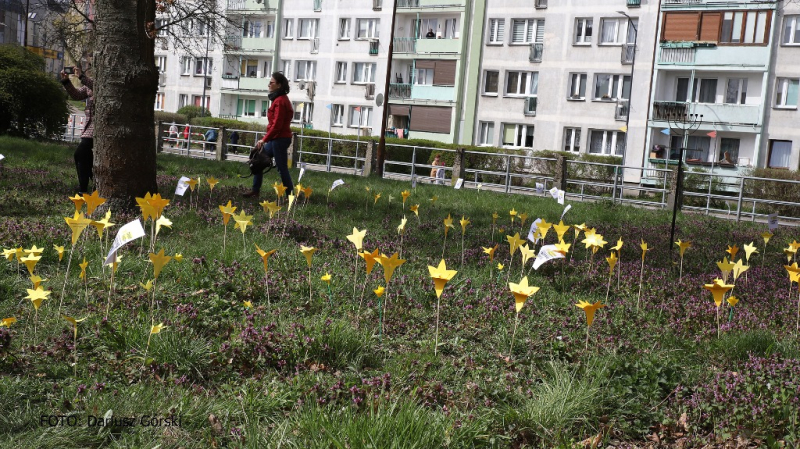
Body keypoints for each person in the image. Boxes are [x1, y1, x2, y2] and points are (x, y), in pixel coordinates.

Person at [243, 72, 294, 198]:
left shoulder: (281, 101)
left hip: (280, 140)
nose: (269, 85)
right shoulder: (278, 100)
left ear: (279, 85)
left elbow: (277, 125)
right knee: (258, 161)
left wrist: (264, 140)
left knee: (282, 168)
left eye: (272, 83)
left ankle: (291, 196)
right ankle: (255, 191)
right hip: (276, 139)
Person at [60, 65, 94, 194]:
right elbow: (77, 95)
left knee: (81, 153)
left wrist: (81, 77)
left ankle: (87, 187)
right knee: (81, 155)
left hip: (99, 128)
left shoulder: (102, 83)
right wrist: (66, 81)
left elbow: (98, 87)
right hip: (89, 127)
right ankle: (85, 188)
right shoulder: (90, 84)